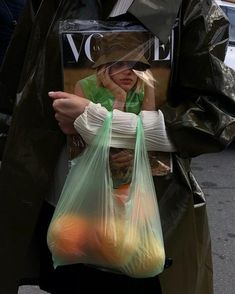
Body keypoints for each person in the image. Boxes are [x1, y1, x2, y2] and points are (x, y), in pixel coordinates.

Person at [0, 1, 235, 294]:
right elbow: (16, 94)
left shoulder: (188, 7)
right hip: (66, 208)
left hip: (144, 215)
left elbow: (217, 115)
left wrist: (103, 124)